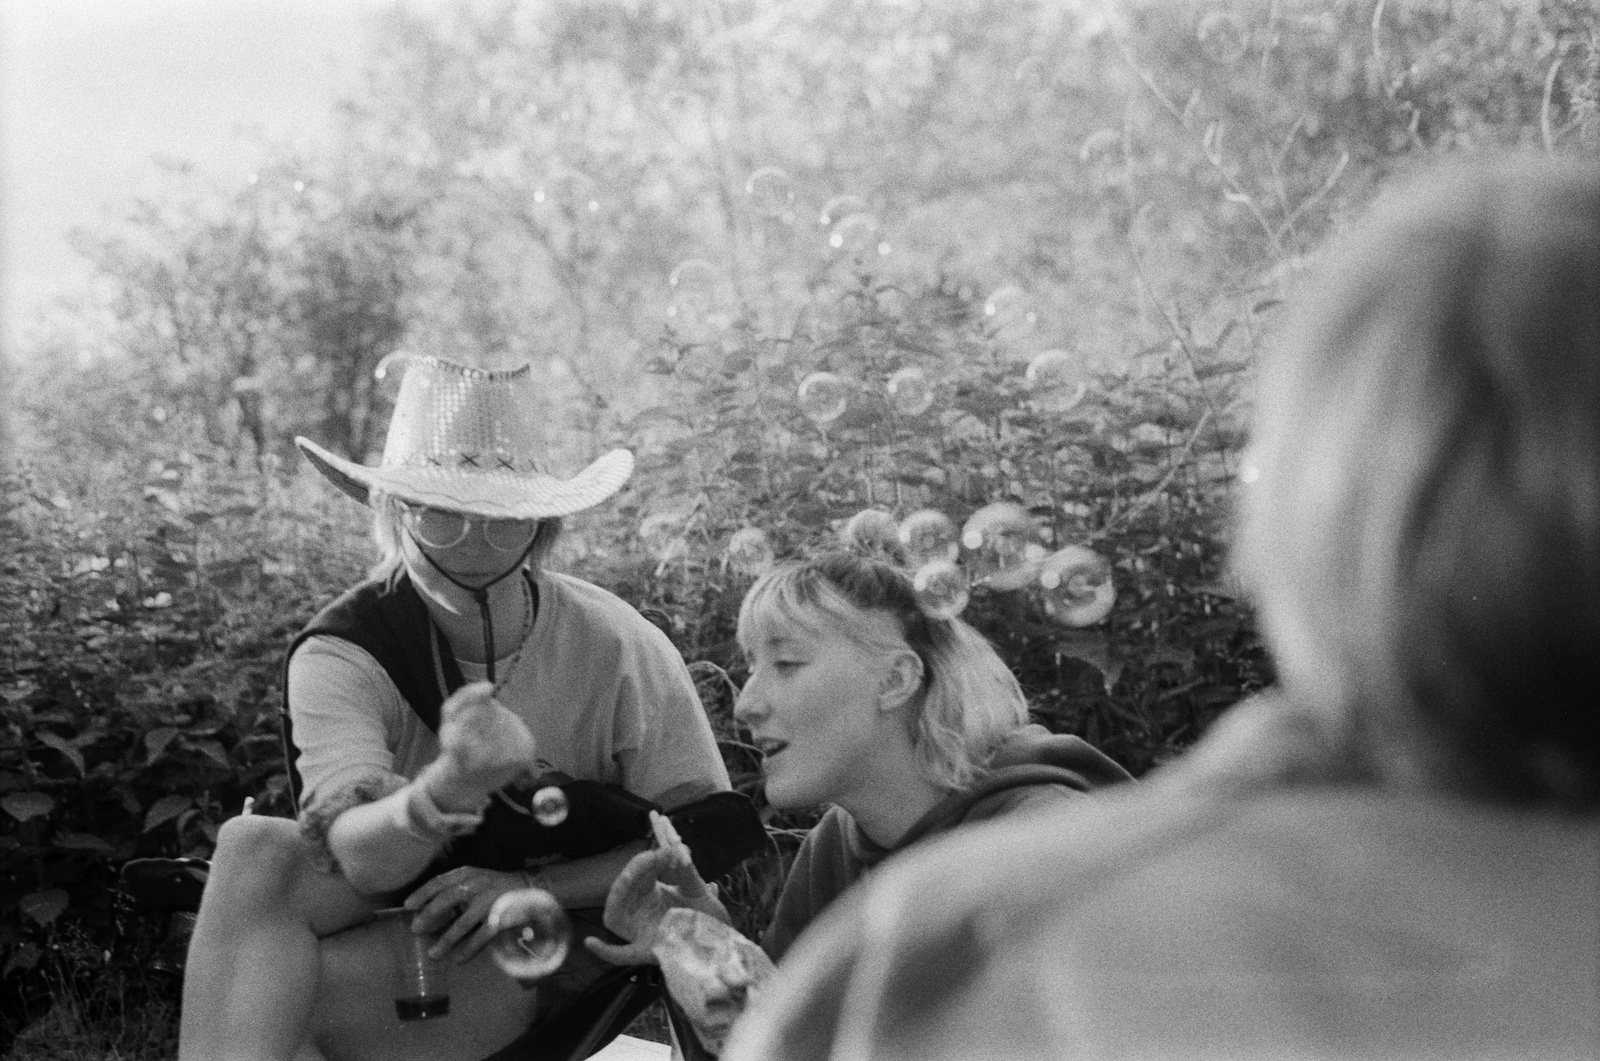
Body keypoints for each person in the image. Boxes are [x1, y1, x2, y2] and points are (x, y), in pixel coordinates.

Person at [717, 155, 1600, 1060]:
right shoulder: (883, 877)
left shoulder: (961, 950)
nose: (749, 700)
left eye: (785, 660)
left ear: (1288, 530)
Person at [178, 355, 733, 1061]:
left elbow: (697, 847)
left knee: (273, 997)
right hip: (400, 906)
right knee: (251, 848)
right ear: (393, 512)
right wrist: (449, 787)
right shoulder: (345, 652)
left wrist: (530, 883)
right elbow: (361, 860)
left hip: (559, 931)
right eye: (441, 513)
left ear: (541, 530)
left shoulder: (618, 643)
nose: (473, 548)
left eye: (501, 521)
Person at [583, 550, 1133, 1053]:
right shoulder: (836, 846)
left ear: (895, 680)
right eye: (752, 667)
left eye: (788, 664)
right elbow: (780, 1040)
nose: (746, 705)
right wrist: (711, 948)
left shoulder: (1038, 843)